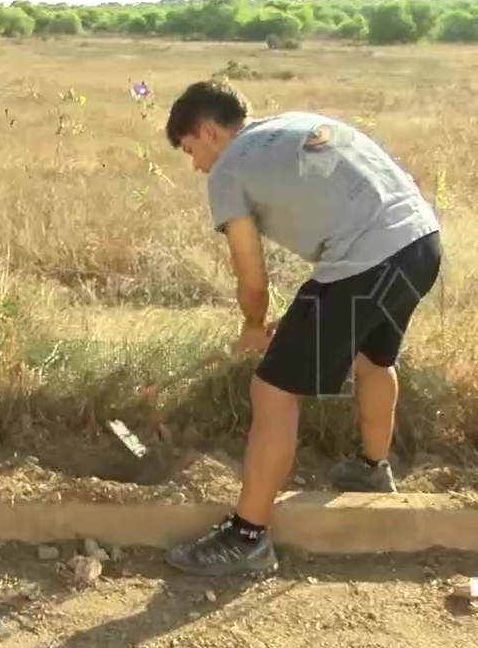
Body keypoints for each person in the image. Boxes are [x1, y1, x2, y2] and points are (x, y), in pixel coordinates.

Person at [161, 80, 443, 577]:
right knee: (375, 359)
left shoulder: (228, 170)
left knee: (271, 389)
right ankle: (371, 471)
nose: (195, 164)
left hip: (366, 259)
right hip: (421, 241)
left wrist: (253, 324)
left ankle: (247, 538)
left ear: (207, 131)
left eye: (190, 150)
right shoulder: (290, 123)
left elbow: (249, 270)